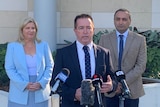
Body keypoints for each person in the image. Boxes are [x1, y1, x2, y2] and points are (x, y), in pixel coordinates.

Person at [50, 14, 117, 107]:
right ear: (75, 31)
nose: (85, 31)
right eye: (81, 28)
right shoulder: (63, 53)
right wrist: (73, 94)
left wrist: (111, 86)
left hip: (97, 104)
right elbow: (55, 82)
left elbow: (113, 78)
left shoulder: (104, 53)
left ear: (93, 30)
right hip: (72, 104)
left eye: (88, 28)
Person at [99, 8, 147, 107]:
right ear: (114, 21)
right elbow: (101, 64)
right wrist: (114, 84)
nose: (121, 22)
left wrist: (123, 82)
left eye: (124, 19)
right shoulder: (104, 39)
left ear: (130, 21)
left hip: (132, 88)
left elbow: (141, 65)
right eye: (118, 19)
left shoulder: (140, 40)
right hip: (110, 89)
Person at [5, 17, 54, 107]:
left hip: (40, 92)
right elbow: (10, 68)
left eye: (33, 28)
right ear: (22, 30)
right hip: (19, 93)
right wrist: (24, 84)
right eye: (27, 28)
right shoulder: (12, 47)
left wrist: (42, 83)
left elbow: (49, 66)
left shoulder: (44, 45)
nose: (31, 30)